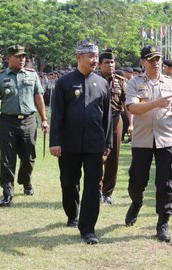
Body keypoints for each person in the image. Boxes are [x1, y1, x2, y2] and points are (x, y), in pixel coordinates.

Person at [49, 39, 112, 244]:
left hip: (94, 144)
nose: (95, 60)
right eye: (90, 57)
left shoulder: (102, 83)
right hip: (69, 143)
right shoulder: (64, 82)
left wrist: (108, 143)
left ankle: (88, 229)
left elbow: (107, 117)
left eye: (96, 56)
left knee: (93, 186)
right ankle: (72, 213)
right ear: (79, 57)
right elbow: (57, 114)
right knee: (69, 181)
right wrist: (55, 141)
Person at [124, 45, 172, 242]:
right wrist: (156, 103)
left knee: (165, 183)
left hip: (166, 138)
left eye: (158, 58)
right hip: (142, 139)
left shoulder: (171, 83)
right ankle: (136, 202)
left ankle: (163, 222)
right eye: (150, 59)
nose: (155, 62)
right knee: (137, 181)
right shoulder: (134, 83)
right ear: (142, 62)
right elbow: (133, 108)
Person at [0, 45, 48, 207]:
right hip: (8, 121)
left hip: (29, 120)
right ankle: (7, 191)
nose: (22, 59)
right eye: (18, 56)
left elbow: (39, 97)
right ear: (9, 58)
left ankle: (25, 181)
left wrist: (43, 119)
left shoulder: (32, 75)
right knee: (7, 158)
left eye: (23, 57)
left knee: (29, 157)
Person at [96, 48, 127, 205]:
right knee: (96, 156)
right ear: (100, 64)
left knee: (113, 157)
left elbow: (127, 103)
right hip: (96, 122)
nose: (110, 65)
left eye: (112, 62)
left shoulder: (120, 81)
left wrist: (132, 124)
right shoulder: (93, 80)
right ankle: (96, 189)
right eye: (107, 62)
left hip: (115, 120)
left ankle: (107, 192)